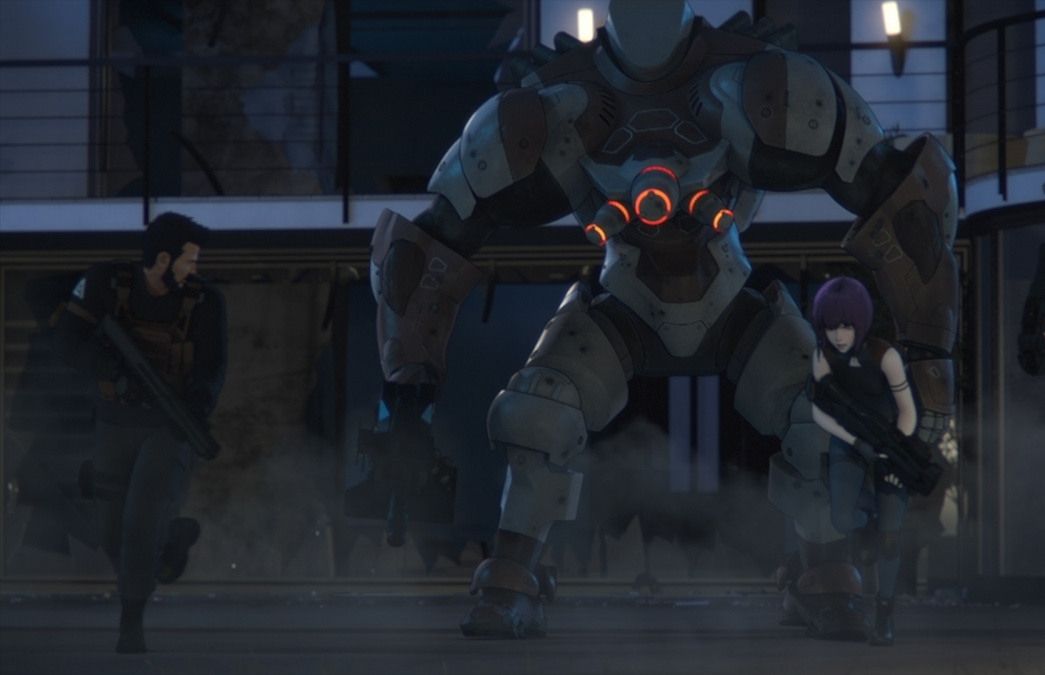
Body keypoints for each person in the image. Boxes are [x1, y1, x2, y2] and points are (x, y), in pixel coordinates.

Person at [366, 0, 959, 638]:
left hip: (729, 296)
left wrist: (928, 361)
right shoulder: (556, 105)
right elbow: (426, 250)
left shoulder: (756, 84)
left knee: (818, 415)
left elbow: (905, 201)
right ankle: (512, 573)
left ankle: (824, 570)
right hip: (625, 298)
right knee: (537, 413)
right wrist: (406, 402)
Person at [54, 211, 227, 653]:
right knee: (111, 530)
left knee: (141, 521)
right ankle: (172, 541)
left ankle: (131, 621)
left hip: (167, 428)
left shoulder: (205, 303)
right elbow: (68, 341)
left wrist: (195, 408)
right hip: (114, 420)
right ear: (163, 258)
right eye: (188, 260)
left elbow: (211, 369)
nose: (194, 269)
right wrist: (112, 370)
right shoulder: (105, 283)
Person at [809, 276, 916, 645]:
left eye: (846, 326)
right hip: (849, 443)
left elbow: (907, 411)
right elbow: (820, 411)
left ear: (860, 321)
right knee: (841, 518)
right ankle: (869, 519)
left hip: (890, 445)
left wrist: (894, 450)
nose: (838, 335)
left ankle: (884, 614)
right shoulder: (823, 357)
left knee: (889, 537)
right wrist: (854, 440)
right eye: (830, 326)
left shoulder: (885, 355)